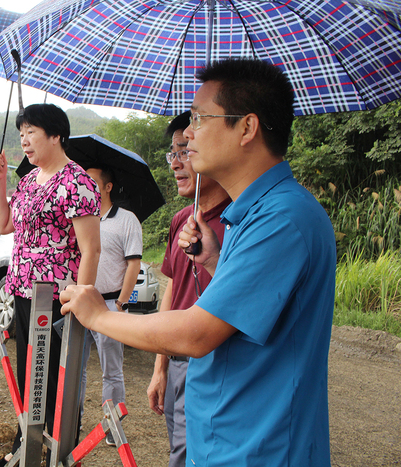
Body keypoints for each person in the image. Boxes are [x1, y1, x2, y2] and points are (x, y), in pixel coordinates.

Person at [60, 58, 336, 466]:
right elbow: (251, 312)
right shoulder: (252, 213)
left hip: (259, 447)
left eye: (200, 119)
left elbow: (197, 333)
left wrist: (99, 316)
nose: (188, 134)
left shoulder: (283, 219)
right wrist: (214, 261)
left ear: (247, 127)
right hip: (224, 436)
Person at [0, 103, 101, 466]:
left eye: (31, 132)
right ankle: (26, 447)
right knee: (30, 377)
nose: (24, 140)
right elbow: (5, 224)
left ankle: (56, 452)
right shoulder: (29, 180)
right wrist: (0, 180)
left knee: (54, 380)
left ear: (56, 135)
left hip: (56, 300)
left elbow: (91, 249)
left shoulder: (76, 182)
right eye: (21, 134)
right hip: (22, 293)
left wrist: (78, 307)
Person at [145, 111, 230, 467]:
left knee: (190, 454)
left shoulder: (236, 220)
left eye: (185, 151)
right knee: (177, 446)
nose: (177, 163)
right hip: (177, 360)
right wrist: (159, 367)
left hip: (211, 360)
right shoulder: (182, 219)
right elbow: (173, 290)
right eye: (173, 154)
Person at [78, 164, 142, 446]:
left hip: (108, 305)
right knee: (74, 368)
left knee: (112, 370)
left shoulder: (126, 220)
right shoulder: (80, 217)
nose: (86, 186)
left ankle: (112, 426)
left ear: (107, 187)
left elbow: (133, 264)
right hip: (80, 301)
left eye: (93, 182)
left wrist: (120, 303)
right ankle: (71, 422)